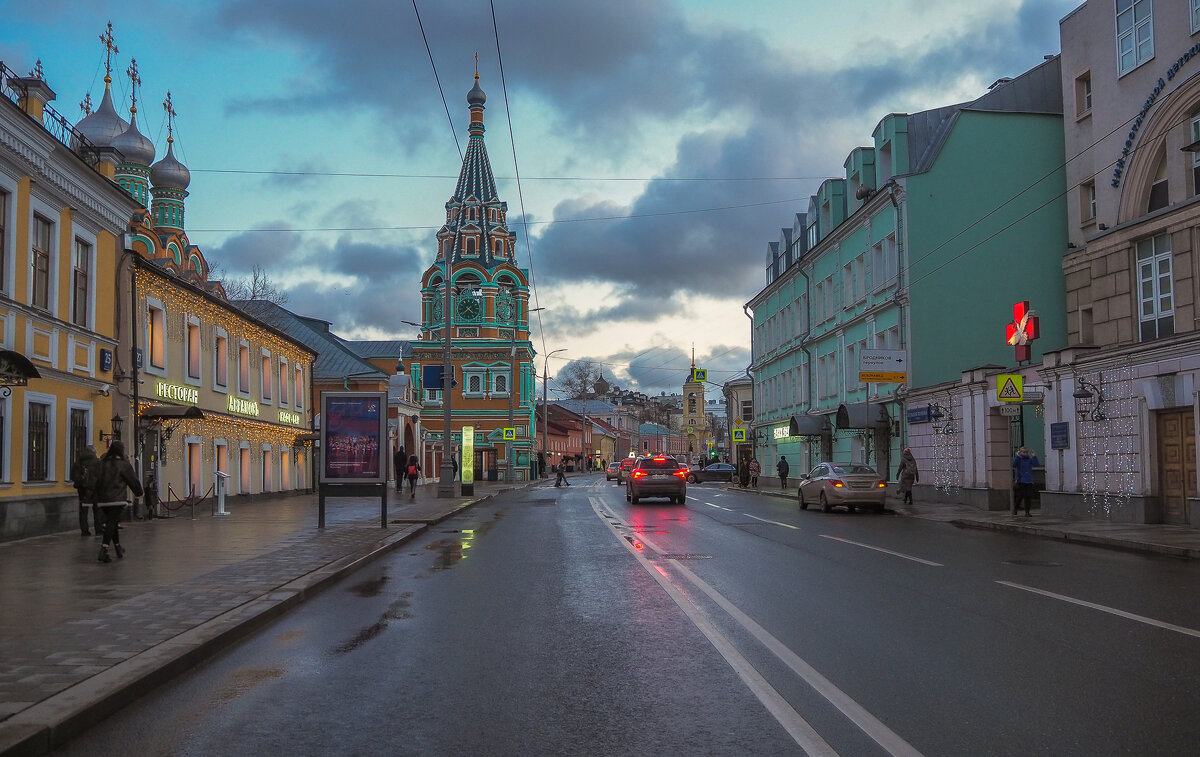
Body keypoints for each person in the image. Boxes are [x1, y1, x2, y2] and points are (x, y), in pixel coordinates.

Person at [93, 441, 143, 563]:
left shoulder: (102, 464)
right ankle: (104, 549)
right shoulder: (123, 465)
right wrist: (139, 492)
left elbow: (95, 480)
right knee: (112, 522)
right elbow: (132, 480)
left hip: (103, 499)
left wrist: (94, 495)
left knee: (112, 522)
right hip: (117, 499)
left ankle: (117, 547)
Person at [70, 446, 101, 536]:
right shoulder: (97, 462)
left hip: (83, 490)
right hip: (95, 490)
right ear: (94, 452)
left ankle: (84, 530)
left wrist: (80, 483)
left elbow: (73, 475)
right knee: (97, 510)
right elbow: (101, 475)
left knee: (83, 511)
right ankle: (98, 529)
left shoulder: (78, 462)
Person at [1012, 446, 1040, 516]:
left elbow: (1036, 464)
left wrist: (1034, 456)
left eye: (1026, 452)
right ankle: (1015, 508)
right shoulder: (1019, 459)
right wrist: (1017, 456)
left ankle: (1027, 512)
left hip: (1029, 480)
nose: (1025, 453)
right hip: (1021, 480)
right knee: (1020, 496)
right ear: (1020, 452)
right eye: (1023, 452)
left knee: (1028, 496)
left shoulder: (1029, 459)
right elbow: (1013, 464)